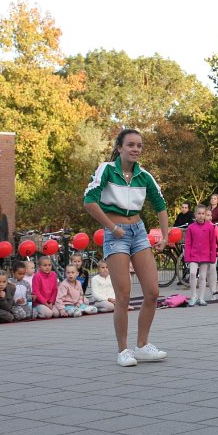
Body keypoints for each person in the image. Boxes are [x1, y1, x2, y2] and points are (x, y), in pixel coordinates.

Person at [85, 128, 169, 368]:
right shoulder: (107, 170)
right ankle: (123, 350)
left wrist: (164, 235)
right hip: (116, 234)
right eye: (130, 145)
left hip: (139, 232)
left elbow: (160, 204)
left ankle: (142, 346)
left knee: (152, 292)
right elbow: (89, 202)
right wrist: (111, 226)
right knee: (123, 295)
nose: (135, 149)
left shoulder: (144, 176)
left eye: (139, 146)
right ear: (120, 147)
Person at [184, 204, 218, 306]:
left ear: (205, 214)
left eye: (203, 214)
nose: (201, 216)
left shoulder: (211, 227)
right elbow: (188, 243)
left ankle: (201, 298)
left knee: (202, 276)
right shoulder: (190, 227)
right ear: (195, 214)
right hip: (193, 255)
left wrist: (212, 257)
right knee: (192, 273)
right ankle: (193, 296)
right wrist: (187, 257)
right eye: (199, 213)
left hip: (205, 255)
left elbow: (212, 243)